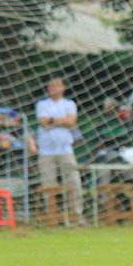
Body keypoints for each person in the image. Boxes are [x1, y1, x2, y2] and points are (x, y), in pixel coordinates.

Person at [35, 77, 85, 225]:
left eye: (58, 85)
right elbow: (44, 122)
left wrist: (53, 120)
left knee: (74, 182)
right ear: (48, 88)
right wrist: (61, 121)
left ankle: (77, 216)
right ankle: (51, 217)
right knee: (48, 184)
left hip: (65, 149)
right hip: (46, 150)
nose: (55, 88)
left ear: (63, 87)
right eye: (52, 85)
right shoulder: (42, 104)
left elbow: (71, 121)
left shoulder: (69, 104)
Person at [90, 97, 133, 212]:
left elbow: (131, 143)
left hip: (123, 161)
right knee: (104, 174)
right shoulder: (101, 125)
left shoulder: (124, 124)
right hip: (106, 162)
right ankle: (103, 206)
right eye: (109, 109)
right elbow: (96, 146)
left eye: (114, 108)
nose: (112, 111)